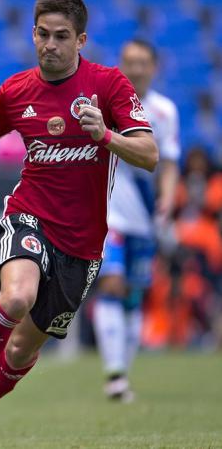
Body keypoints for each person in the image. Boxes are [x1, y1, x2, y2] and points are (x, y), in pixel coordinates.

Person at [0, 0, 158, 447]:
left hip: (83, 243)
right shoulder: (15, 91)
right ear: (33, 34)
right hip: (29, 215)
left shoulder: (108, 84)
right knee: (16, 297)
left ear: (80, 40)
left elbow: (149, 154)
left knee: (21, 349)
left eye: (60, 36)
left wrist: (106, 136)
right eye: (42, 34)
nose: (49, 45)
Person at [91, 39, 181, 403]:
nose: (136, 68)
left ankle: (121, 373)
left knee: (132, 296)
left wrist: (168, 201)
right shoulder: (105, 103)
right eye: (129, 61)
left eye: (143, 62)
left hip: (144, 217)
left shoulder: (164, 111)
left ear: (154, 67)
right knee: (111, 284)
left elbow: (170, 161)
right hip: (109, 215)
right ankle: (113, 373)